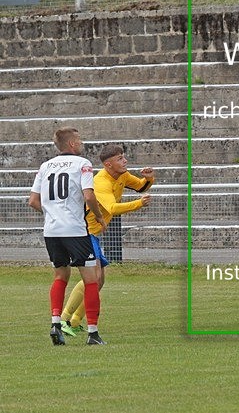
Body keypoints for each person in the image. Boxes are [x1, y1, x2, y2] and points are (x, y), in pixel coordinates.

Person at [59, 144, 154, 336]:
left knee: (99, 280)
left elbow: (141, 186)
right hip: (82, 232)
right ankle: (64, 319)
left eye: (124, 157)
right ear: (108, 164)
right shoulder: (101, 182)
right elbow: (112, 208)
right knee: (93, 278)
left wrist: (149, 178)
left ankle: (75, 320)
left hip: (92, 233)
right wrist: (139, 204)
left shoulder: (122, 176)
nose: (125, 160)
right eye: (120, 158)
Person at [28, 128, 107, 346]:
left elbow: (33, 201)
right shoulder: (82, 163)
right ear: (72, 143)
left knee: (60, 277)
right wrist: (99, 216)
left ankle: (55, 324)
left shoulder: (45, 167)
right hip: (75, 229)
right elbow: (88, 195)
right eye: (79, 139)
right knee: (92, 280)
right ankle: (93, 332)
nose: (81, 143)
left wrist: (54, 213)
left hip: (52, 231)